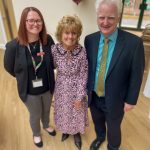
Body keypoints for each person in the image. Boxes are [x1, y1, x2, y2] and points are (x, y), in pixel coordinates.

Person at [84, 0, 145, 150]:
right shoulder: (89, 40)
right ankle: (100, 137)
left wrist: (131, 100)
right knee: (97, 121)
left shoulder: (134, 43)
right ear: (97, 17)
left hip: (116, 98)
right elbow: (88, 68)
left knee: (114, 126)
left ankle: (113, 146)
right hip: (94, 95)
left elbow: (136, 74)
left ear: (118, 17)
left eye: (110, 17)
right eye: (101, 17)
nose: (105, 22)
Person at [4, 7, 56, 148]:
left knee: (46, 110)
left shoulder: (47, 40)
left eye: (38, 20)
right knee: (35, 114)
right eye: (31, 20)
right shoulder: (13, 46)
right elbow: (9, 68)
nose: (35, 23)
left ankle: (46, 125)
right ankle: (36, 133)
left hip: (47, 86)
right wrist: (22, 76)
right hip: (29, 90)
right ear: (24, 22)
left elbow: (53, 62)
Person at [51, 15, 88, 150]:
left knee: (76, 112)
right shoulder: (54, 50)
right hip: (60, 87)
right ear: (61, 33)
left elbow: (84, 75)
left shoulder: (82, 51)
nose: (70, 36)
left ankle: (76, 133)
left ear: (77, 35)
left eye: (74, 33)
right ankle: (66, 130)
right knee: (64, 111)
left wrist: (79, 96)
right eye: (67, 32)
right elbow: (52, 67)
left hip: (76, 88)